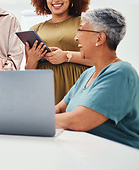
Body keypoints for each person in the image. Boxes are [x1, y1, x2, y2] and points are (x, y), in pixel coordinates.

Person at [55, 8, 139, 148]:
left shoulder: (122, 73)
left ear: (99, 38)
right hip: (87, 155)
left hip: (119, 159)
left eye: (81, 30)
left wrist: (34, 121)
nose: (76, 37)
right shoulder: (87, 74)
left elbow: (79, 121)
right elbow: (59, 109)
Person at [26, 0, 94, 104]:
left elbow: (97, 60)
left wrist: (66, 56)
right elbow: (29, 73)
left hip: (77, 88)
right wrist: (32, 61)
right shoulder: (35, 30)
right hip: (44, 92)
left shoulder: (84, 23)